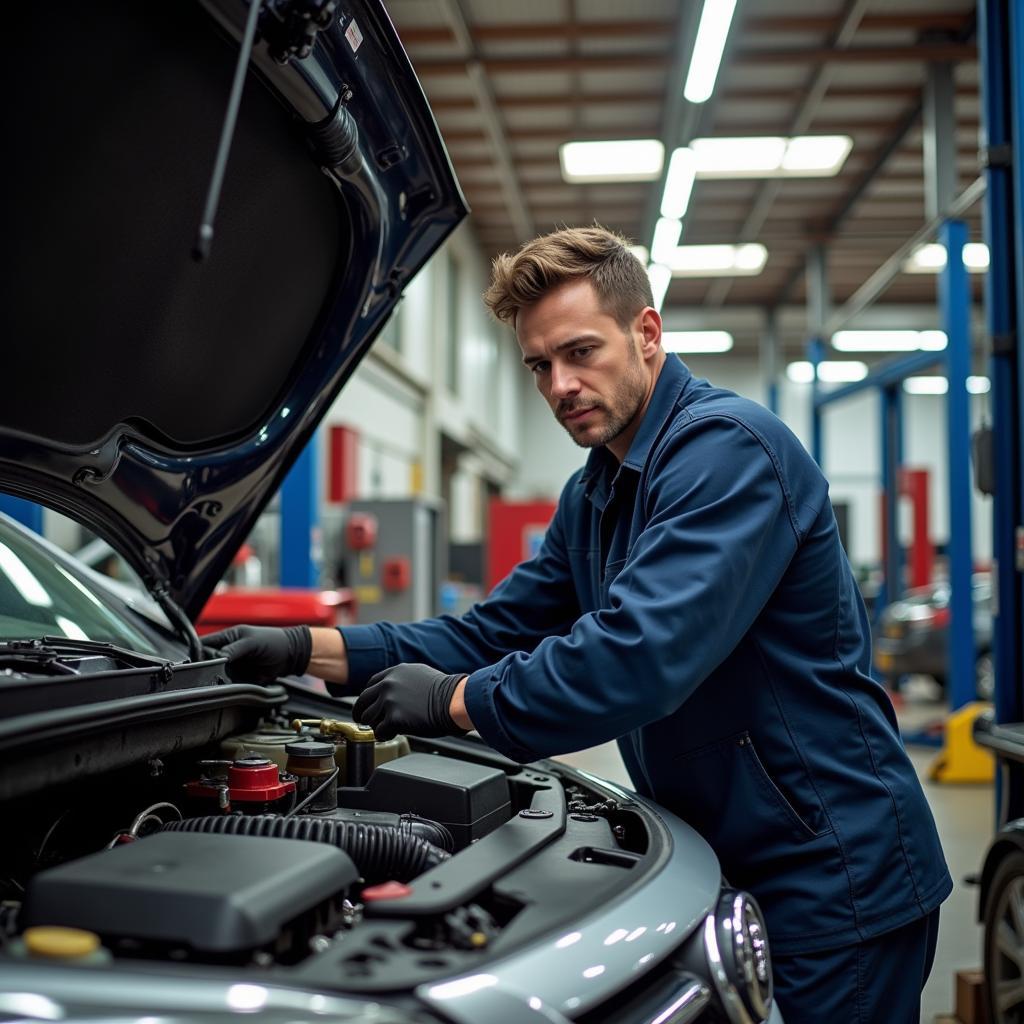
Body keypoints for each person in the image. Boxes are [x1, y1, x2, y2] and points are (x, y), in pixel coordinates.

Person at [206, 226, 951, 1023]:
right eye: (540, 366)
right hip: (731, 856)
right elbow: (494, 630)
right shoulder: (596, 491)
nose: (560, 384)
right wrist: (308, 650)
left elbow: (638, 658)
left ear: (648, 333)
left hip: (831, 873)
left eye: (581, 352)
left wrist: (454, 701)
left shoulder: (726, 453)